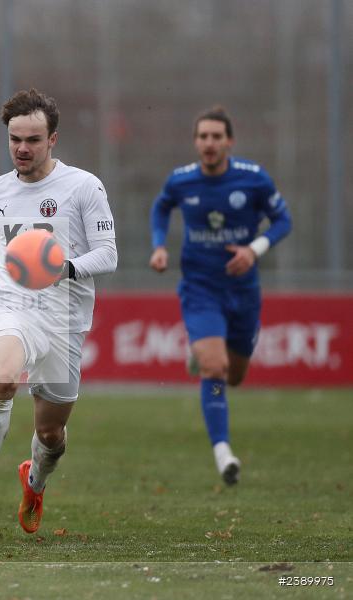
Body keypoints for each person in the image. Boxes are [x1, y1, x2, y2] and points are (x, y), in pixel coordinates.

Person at [0, 89, 117, 533]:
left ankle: (34, 481)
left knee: (51, 435)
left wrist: (63, 268)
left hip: (63, 319)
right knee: (3, 378)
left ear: (52, 139)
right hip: (12, 306)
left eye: (33, 139)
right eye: (15, 139)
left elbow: (108, 254)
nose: (22, 148)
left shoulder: (84, 187)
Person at [149, 106, 292, 486]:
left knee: (236, 376)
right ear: (195, 142)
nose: (209, 143)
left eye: (216, 136)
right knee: (216, 369)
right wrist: (159, 245)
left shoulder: (253, 178)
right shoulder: (181, 180)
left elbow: (284, 220)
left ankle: (201, 354)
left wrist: (254, 250)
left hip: (243, 292)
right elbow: (161, 206)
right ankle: (223, 452)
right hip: (200, 288)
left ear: (229, 141)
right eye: (203, 136)